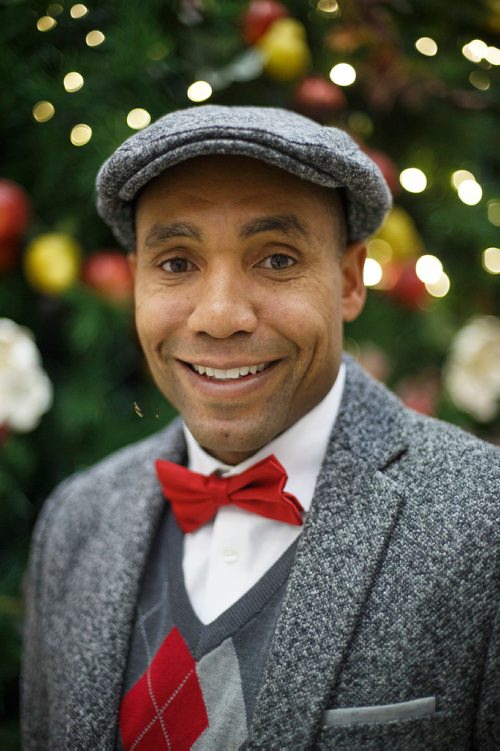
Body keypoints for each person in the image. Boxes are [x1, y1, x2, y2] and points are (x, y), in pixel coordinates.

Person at [21, 106, 498, 751]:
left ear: (350, 281)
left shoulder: (482, 526)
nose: (220, 317)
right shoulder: (75, 523)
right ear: (135, 282)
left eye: (276, 259)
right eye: (177, 263)